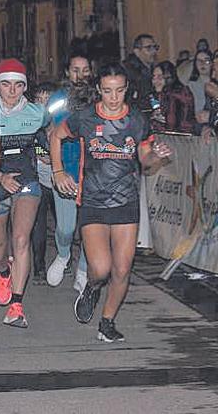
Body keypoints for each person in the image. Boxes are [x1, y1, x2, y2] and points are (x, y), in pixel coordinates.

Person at [51, 63, 172, 342]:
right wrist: (58, 172)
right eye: (107, 91)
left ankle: (107, 322)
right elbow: (56, 136)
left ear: (126, 89)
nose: (114, 97)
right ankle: (92, 287)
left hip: (126, 202)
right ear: (99, 90)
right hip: (93, 201)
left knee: (122, 268)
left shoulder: (137, 121)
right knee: (101, 268)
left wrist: (157, 155)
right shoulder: (85, 118)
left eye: (118, 91)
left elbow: (145, 160)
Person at [0, 59, 49, 328]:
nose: (12, 91)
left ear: (25, 87)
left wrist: (49, 161)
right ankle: (3, 271)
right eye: (7, 85)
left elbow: (50, 139)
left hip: (27, 182)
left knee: (21, 239)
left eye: (19, 85)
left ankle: (17, 305)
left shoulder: (37, 113)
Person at [44, 54, 93, 290]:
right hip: (65, 169)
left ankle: (83, 269)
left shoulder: (97, 97)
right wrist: (56, 168)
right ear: (67, 72)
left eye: (85, 70)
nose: (80, 75)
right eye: (75, 70)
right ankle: (63, 255)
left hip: (93, 173)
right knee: (66, 227)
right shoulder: (57, 99)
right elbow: (46, 130)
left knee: (89, 227)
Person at [30, 81, 61, 285]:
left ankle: (63, 258)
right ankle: (38, 267)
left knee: (63, 226)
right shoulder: (31, 123)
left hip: (59, 182)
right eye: (39, 101)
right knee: (38, 226)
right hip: (38, 180)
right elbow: (29, 145)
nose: (43, 105)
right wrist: (42, 153)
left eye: (47, 101)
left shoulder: (63, 123)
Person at [149, 61, 196, 134]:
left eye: (160, 77)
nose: (155, 81)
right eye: (153, 77)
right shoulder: (156, 95)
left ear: (168, 77)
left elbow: (172, 123)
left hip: (180, 138)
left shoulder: (179, 94)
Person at [122, 34, 159, 110]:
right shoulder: (128, 70)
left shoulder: (156, 69)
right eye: (148, 48)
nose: (153, 51)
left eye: (155, 47)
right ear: (137, 51)